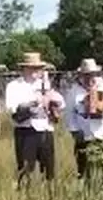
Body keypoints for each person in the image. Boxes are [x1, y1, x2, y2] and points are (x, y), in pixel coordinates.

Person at [65, 58, 103, 196]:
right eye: (86, 75)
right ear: (81, 75)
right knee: (85, 171)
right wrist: (75, 131)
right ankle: (87, 198)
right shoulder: (74, 91)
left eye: (92, 74)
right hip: (84, 136)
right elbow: (69, 113)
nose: (90, 77)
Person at [5, 52, 64, 188]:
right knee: (25, 169)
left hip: (45, 129)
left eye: (37, 68)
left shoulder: (46, 85)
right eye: (32, 67)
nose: (35, 71)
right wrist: (33, 102)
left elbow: (61, 104)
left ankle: (49, 197)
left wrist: (52, 99)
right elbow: (12, 108)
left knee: (49, 169)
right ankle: (25, 198)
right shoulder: (15, 86)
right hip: (26, 130)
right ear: (24, 68)